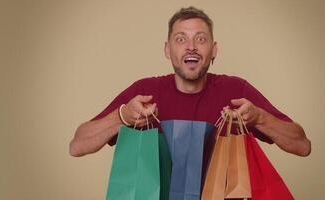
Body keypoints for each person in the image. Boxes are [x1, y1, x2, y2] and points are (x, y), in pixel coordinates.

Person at [69, 6, 311, 157]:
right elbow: (78, 145)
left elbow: (302, 145)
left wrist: (260, 117)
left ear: (213, 49)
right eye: (181, 39)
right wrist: (122, 117)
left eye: (201, 39)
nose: (191, 47)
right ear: (167, 49)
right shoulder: (144, 93)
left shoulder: (236, 91)